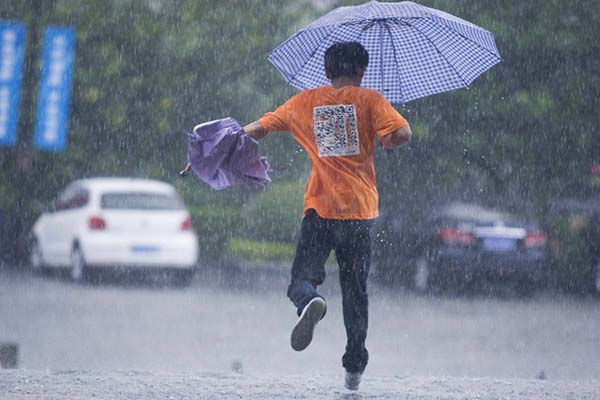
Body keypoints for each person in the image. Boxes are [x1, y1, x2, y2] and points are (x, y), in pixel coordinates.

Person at [243, 42, 411, 391]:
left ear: (326, 70)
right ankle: (354, 365)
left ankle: (310, 299)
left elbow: (259, 128)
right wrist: (390, 142)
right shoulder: (370, 101)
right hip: (359, 213)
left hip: (319, 210)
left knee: (300, 280)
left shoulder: (305, 101)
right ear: (361, 72)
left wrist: (213, 147)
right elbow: (402, 134)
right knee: (355, 292)